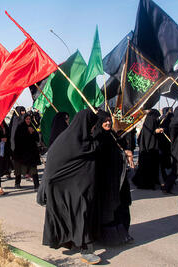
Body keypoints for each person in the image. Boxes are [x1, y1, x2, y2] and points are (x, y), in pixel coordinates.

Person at [37, 109, 101, 264]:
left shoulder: (80, 139)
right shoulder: (68, 141)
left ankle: (73, 241)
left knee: (78, 215)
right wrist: (46, 185)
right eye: (92, 125)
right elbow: (53, 164)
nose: (93, 128)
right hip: (63, 188)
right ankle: (86, 250)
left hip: (78, 188)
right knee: (81, 214)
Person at [95, 111, 133, 246]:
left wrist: (124, 151)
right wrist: (122, 154)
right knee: (109, 210)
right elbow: (103, 158)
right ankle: (109, 238)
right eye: (105, 121)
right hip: (105, 181)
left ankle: (123, 234)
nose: (108, 123)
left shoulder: (112, 136)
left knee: (121, 207)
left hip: (118, 180)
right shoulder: (97, 137)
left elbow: (118, 151)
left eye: (109, 120)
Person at [132, 109, 163, 190]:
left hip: (150, 148)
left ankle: (152, 181)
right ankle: (147, 184)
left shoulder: (151, 120)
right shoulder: (150, 120)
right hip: (148, 149)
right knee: (147, 167)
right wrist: (156, 131)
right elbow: (149, 135)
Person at [13, 113, 41, 190]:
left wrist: (33, 133)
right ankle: (17, 183)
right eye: (27, 119)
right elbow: (18, 140)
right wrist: (27, 133)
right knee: (19, 169)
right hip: (21, 153)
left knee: (33, 169)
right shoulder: (20, 127)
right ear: (23, 119)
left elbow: (37, 139)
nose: (28, 120)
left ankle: (36, 185)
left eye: (29, 119)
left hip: (31, 153)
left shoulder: (32, 127)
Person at [159, 107, 174, 192]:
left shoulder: (164, 119)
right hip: (166, 146)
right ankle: (165, 183)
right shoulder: (164, 120)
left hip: (165, 145)